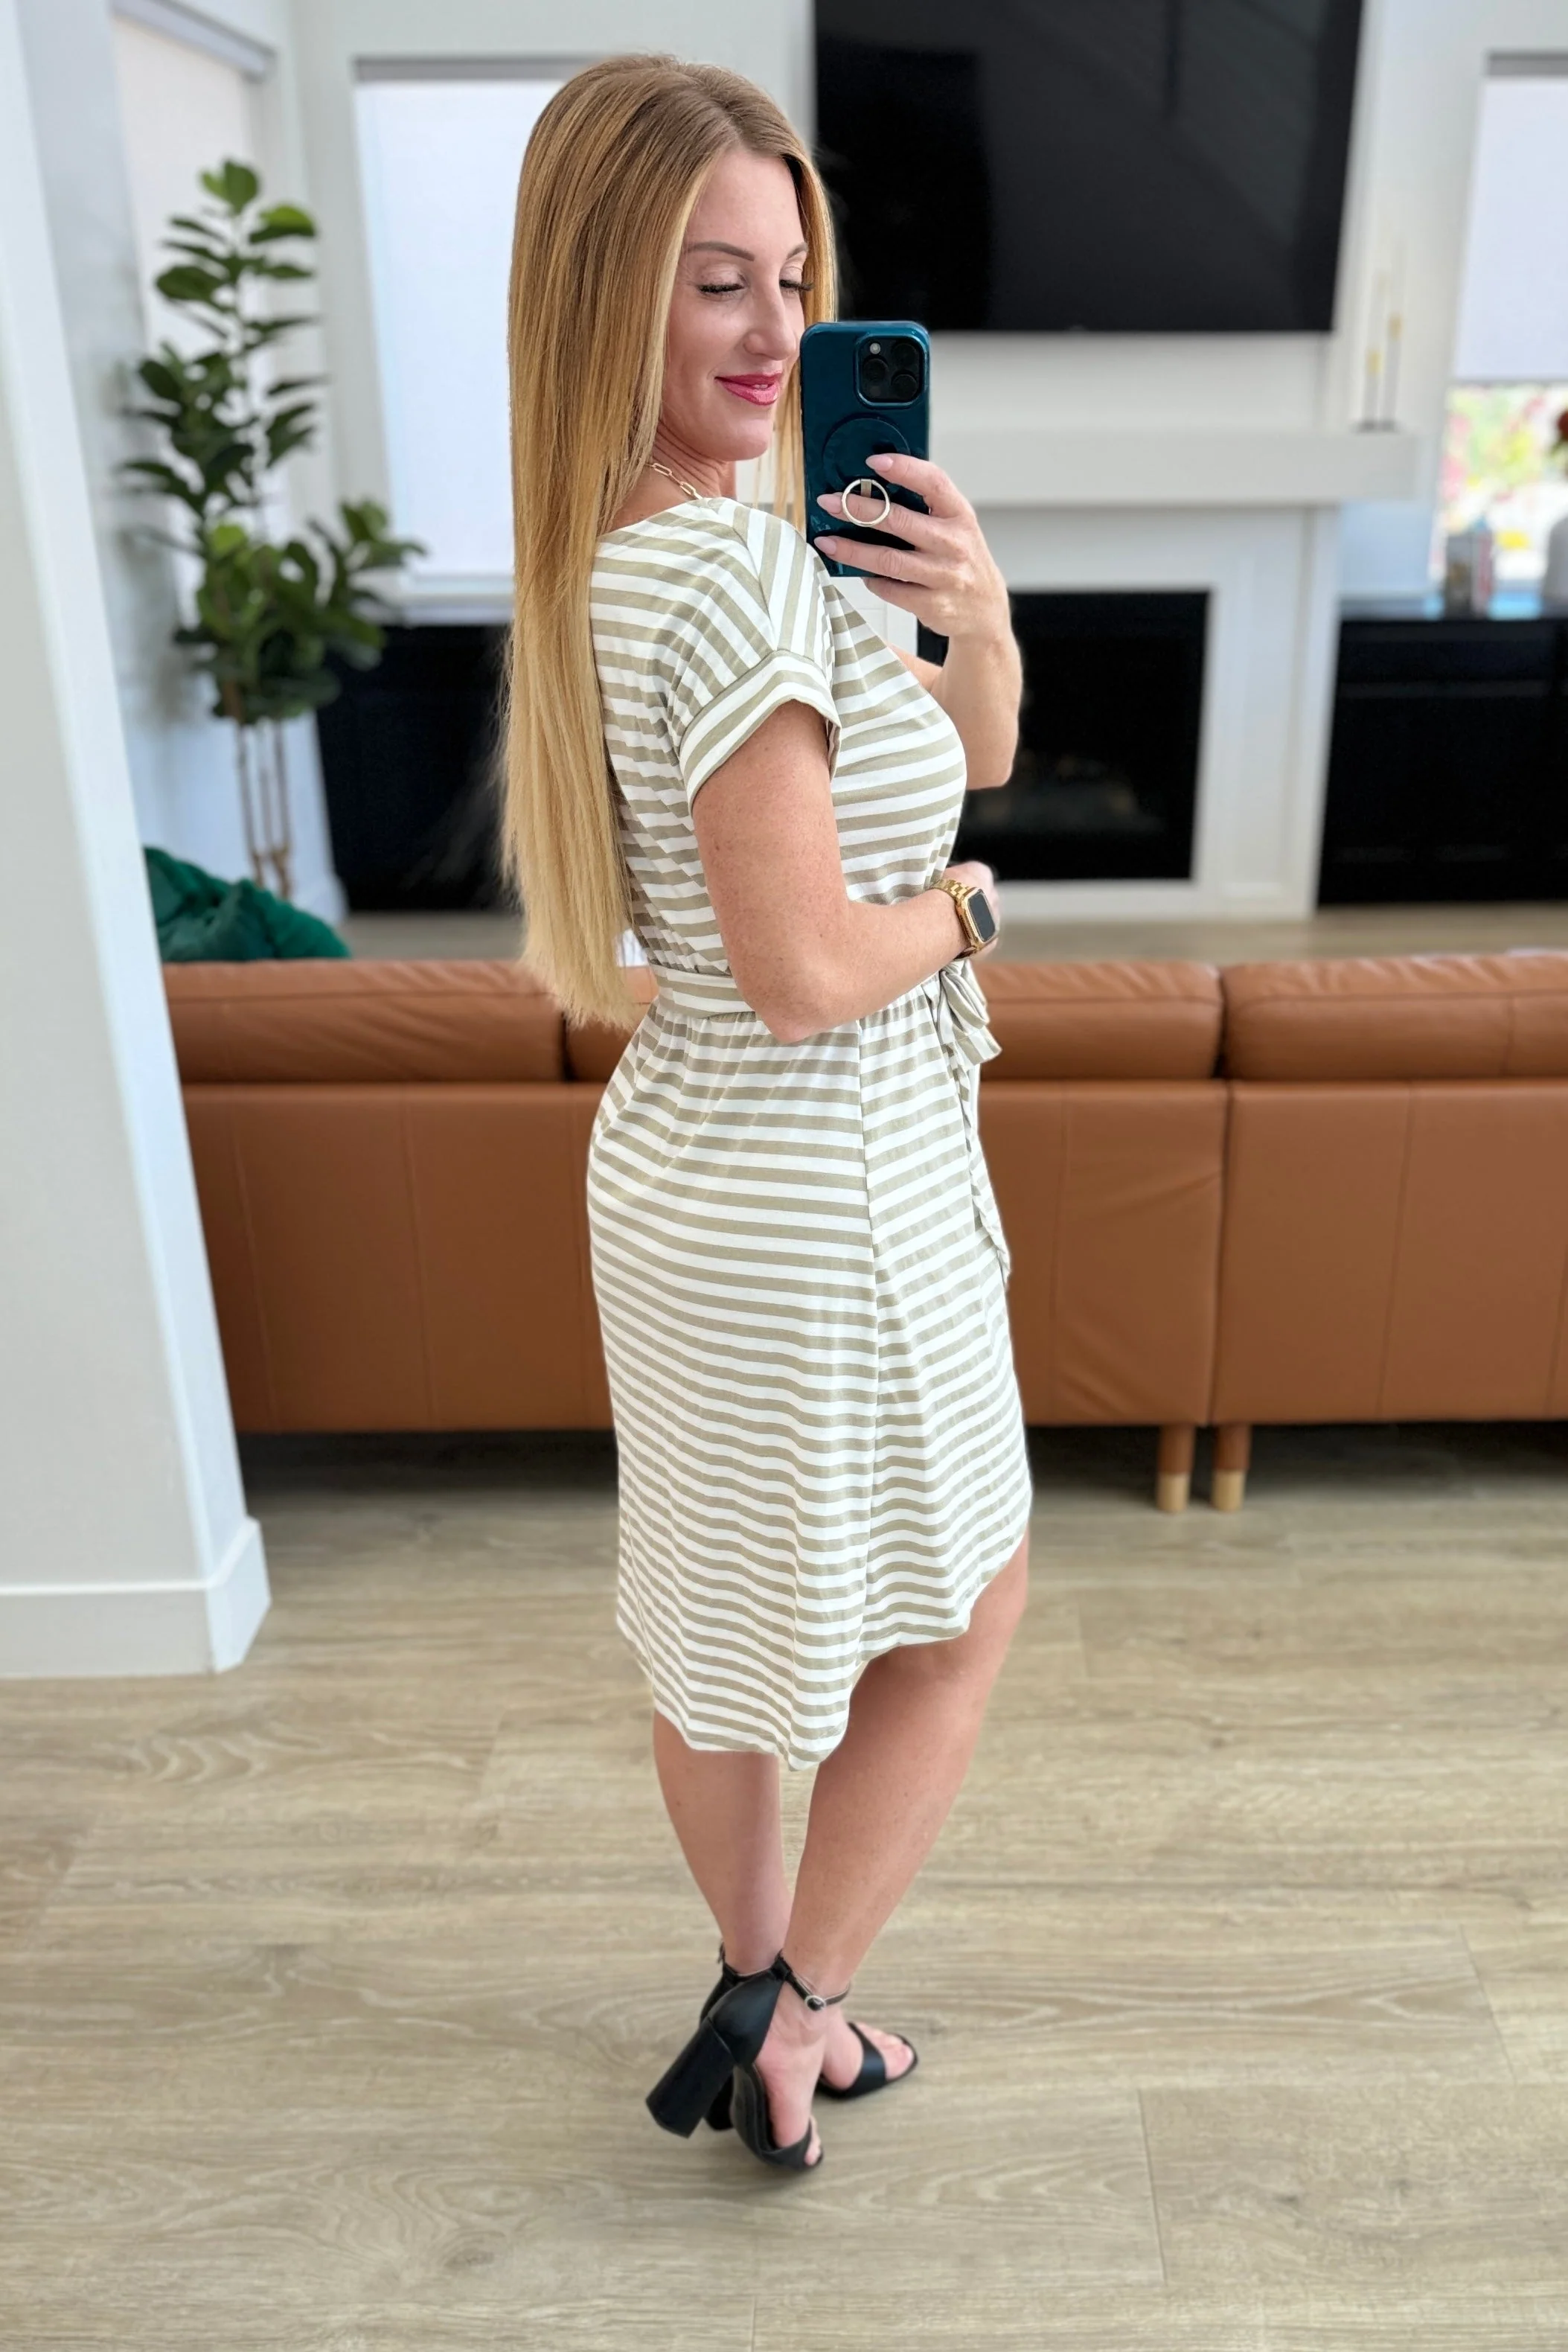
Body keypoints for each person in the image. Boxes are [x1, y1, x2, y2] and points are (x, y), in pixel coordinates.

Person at [501, 54, 1033, 2174]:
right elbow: (816, 969)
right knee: (963, 1608)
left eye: (792, 278)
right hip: (833, 1186)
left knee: (721, 1632)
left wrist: (975, 618)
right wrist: (971, 911)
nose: (775, 334)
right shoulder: (733, 581)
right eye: (715, 282)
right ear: (601, 296)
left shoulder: (636, 556)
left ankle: (750, 1989)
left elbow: (971, 747)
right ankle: (805, 2013)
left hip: (691, 1176)